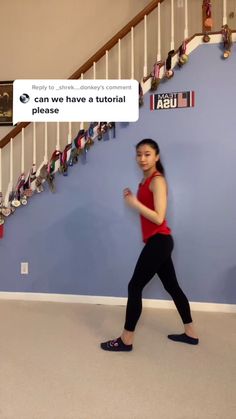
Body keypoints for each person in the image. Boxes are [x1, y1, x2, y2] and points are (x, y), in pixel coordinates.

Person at [101, 139, 199, 352]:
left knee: (134, 286)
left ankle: (126, 339)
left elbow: (158, 217)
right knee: (171, 286)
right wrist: (135, 199)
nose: (142, 158)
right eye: (139, 154)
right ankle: (191, 333)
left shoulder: (157, 181)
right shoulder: (143, 183)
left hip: (160, 241)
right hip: (159, 242)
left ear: (156, 157)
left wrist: (135, 204)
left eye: (147, 154)